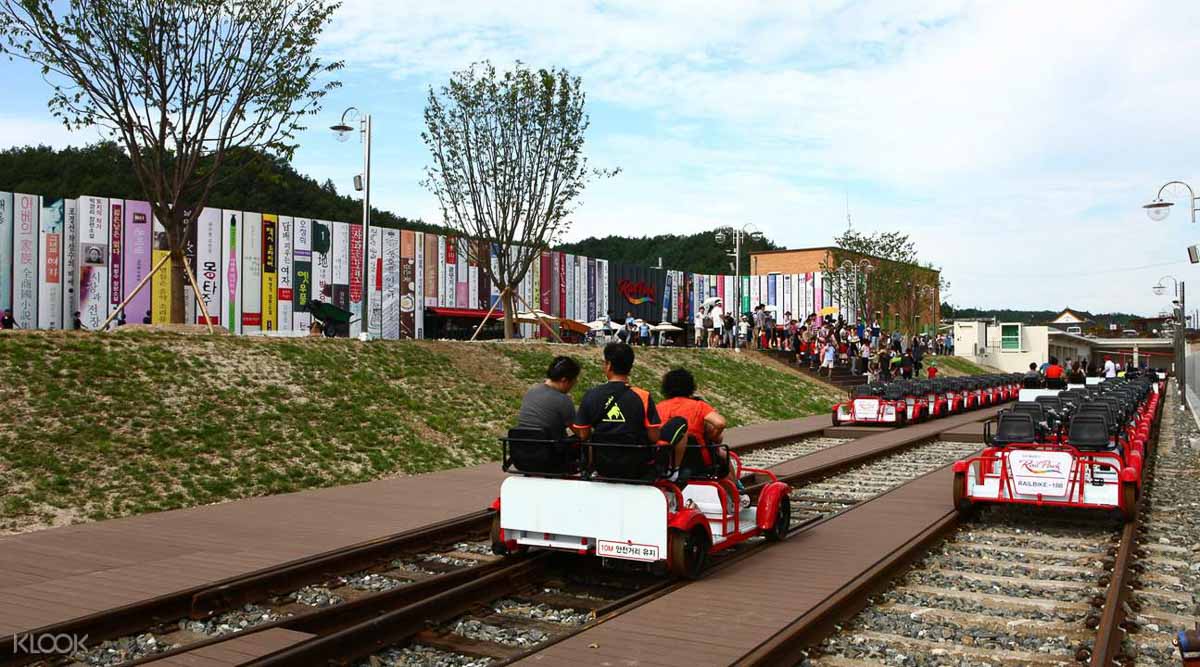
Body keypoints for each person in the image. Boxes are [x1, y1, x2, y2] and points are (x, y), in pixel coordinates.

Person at [656, 368, 745, 506]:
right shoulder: (699, 406)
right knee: (723, 456)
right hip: (700, 462)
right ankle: (737, 496)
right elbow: (720, 422)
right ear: (690, 387)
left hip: (670, 462)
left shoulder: (660, 407)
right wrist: (713, 437)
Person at [574, 342, 662, 445]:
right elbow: (654, 437)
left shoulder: (591, 395)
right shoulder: (644, 397)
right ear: (630, 367)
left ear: (609, 365)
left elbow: (583, 435)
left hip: (601, 458)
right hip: (636, 459)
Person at [517, 355, 582, 439]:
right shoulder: (562, 400)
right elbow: (580, 433)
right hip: (549, 448)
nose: (574, 384)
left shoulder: (531, 391)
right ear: (564, 380)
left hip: (522, 446)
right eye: (574, 380)